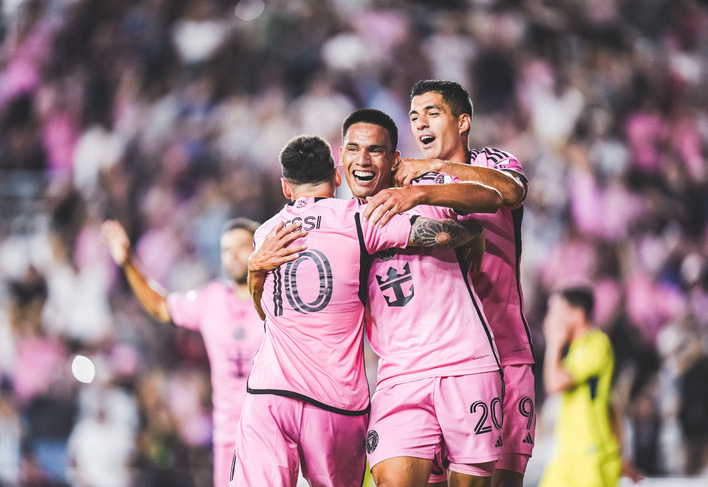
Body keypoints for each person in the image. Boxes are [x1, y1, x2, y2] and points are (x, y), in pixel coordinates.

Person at [230, 129, 487, 487]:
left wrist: (254, 267)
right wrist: (473, 231)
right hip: (335, 403)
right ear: (337, 177)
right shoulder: (358, 218)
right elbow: (441, 234)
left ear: (286, 188)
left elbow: (264, 308)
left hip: (270, 394)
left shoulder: (266, 235)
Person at [364, 79, 534, 487]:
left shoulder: (493, 163)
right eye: (413, 116)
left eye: (432, 113)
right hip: (438, 360)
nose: (420, 123)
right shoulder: (405, 185)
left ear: (463, 122)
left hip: (506, 350)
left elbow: (510, 192)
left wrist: (434, 173)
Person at [101, 218, 265, 487]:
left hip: (273, 429)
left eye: (241, 246)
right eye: (226, 249)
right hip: (228, 433)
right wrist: (128, 262)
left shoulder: (278, 297)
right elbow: (161, 307)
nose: (233, 255)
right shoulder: (212, 298)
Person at [540, 285, 626, 487]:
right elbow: (610, 405)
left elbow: (554, 383)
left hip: (591, 456)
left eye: (556, 311)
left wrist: (554, 343)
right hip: (568, 455)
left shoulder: (596, 343)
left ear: (577, 314)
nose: (550, 320)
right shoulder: (575, 351)